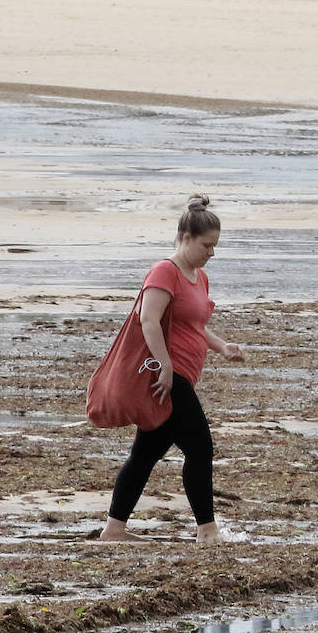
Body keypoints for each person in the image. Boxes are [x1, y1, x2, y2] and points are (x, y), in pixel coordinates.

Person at [99, 195, 245, 545]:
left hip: (181, 376)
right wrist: (165, 367)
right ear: (186, 238)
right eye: (207, 245)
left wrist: (221, 346)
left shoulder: (199, 277)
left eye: (215, 246)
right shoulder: (164, 272)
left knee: (145, 454)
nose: (212, 252)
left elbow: (194, 325)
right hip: (169, 378)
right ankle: (207, 531)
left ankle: (114, 530)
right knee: (200, 448)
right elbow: (148, 320)